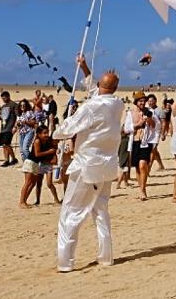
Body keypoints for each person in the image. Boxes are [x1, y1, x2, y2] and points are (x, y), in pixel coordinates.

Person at [53, 55, 123, 273]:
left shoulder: (91, 107)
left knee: (70, 213)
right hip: (106, 167)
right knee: (100, 211)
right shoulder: (118, 104)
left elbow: (65, 130)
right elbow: (96, 92)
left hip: (87, 167)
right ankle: (106, 257)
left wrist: (63, 122)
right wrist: (83, 67)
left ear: (102, 86)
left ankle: (66, 262)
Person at [21, 123, 61, 208]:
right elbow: (37, 154)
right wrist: (50, 152)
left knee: (32, 184)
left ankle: (25, 201)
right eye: (44, 133)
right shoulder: (37, 141)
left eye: (47, 132)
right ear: (39, 134)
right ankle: (22, 202)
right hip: (30, 162)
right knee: (28, 183)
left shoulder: (45, 141)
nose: (46, 134)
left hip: (36, 164)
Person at [130, 93, 156, 201]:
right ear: (136, 102)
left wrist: (148, 119)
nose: (142, 102)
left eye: (143, 100)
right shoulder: (131, 113)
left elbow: (154, 125)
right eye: (139, 101)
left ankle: (143, 188)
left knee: (143, 165)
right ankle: (141, 189)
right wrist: (139, 124)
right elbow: (127, 128)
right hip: (135, 140)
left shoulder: (149, 111)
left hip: (145, 142)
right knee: (137, 167)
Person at [0, 92, 18, 166]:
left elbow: (18, 116)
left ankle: (14, 159)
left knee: (7, 144)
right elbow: (2, 117)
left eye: (4, 97)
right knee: (4, 145)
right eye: (2, 98)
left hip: (10, 127)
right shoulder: (3, 106)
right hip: (3, 127)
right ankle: (6, 160)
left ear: (8, 96)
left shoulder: (14, 105)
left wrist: (15, 126)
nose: (3, 99)